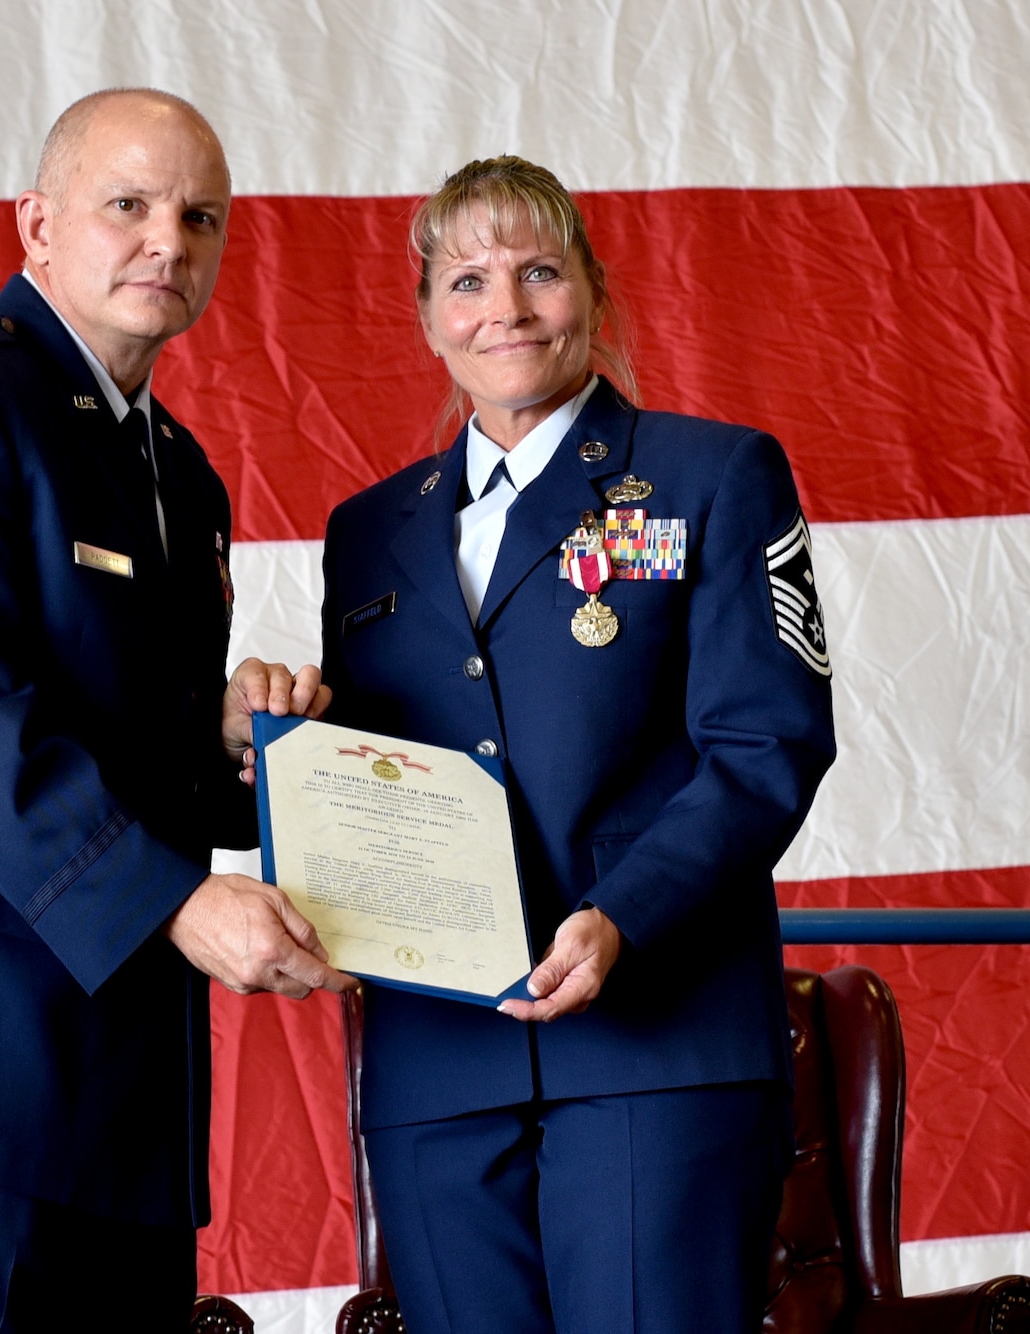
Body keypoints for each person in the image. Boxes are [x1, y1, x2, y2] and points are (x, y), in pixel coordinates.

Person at [0, 88, 354, 1333]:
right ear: (35, 224)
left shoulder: (178, 471)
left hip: (121, 1060)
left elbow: (127, 739)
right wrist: (180, 898)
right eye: (127, 204)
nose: (167, 241)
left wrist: (245, 749)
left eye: (199, 217)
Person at [315, 156, 836, 1332]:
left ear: (592, 291)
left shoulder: (710, 477)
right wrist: (275, 733)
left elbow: (766, 743)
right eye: (465, 280)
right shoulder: (365, 530)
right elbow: (371, 772)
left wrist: (623, 914)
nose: (502, 306)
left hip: (657, 1043)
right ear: (426, 318)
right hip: (438, 1063)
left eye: (537, 271)